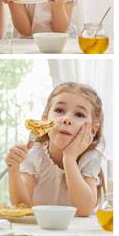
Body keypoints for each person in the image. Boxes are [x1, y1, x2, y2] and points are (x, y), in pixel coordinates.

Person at [6, 82, 105, 215]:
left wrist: (69, 159)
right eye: (59, 110)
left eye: (79, 114)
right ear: (44, 119)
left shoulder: (90, 158)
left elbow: (84, 210)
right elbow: (21, 206)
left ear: (93, 130)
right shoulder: (35, 154)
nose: (67, 119)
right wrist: (13, 171)